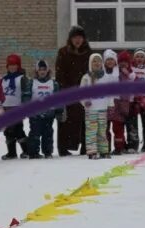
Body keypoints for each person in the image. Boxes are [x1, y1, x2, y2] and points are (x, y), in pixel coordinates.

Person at [55, 25, 91, 156]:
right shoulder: (63, 52)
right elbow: (60, 73)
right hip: (68, 91)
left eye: (80, 37)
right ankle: (63, 147)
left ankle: (85, 146)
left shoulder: (88, 53)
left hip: (84, 90)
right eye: (75, 37)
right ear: (70, 39)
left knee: (85, 119)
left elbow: (91, 71)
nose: (77, 40)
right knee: (66, 119)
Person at [23, 59, 61, 159]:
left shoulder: (53, 83)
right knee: (34, 133)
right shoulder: (32, 83)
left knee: (48, 134)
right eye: (40, 70)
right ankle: (33, 152)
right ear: (37, 71)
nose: (42, 72)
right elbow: (26, 96)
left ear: (47, 71)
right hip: (35, 114)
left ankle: (48, 152)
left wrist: (59, 111)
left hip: (49, 114)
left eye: (44, 69)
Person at [80, 53, 112, 160]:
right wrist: (85, 102)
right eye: (94, 61)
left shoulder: (106, 77)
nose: (97, 63)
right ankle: (92, 151)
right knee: (91, 131)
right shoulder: (86, 78)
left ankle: (103, 151)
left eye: (99, 61)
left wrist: (110, 104)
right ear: (90, 63)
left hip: (103, 108)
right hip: (91, 110)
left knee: (102, 130)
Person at [0, 54, 28, 159]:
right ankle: (11, 152)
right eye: (10, 65)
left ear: (18, 66)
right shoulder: (4, 79)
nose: (12, 67)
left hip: (17, 108)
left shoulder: (22, 78)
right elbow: (0, 93)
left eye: (14, 65)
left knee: (18, 129)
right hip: (5, 108)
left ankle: (26, 150)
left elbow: (26, 93)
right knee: (8, 130)